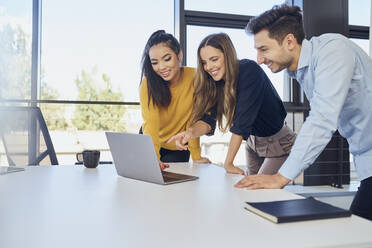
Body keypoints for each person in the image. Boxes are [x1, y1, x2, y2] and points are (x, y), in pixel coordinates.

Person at [240, 4, 372, 221]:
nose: (259, 59)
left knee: (359, 228)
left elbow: (322, 119)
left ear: (290, 42)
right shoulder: (302, 70)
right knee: (360, 226)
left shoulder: (333, 51)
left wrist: (281, 176)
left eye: (264, 49)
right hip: (365, 157)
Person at [168, 33, 296, 176]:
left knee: (262, 191)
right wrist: (190, 133)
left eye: (214, 59)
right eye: (204, 62)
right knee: (249, 192)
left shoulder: (249, 71)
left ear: (227, 55)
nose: (208, 67)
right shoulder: (216, 83)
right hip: (253, 144)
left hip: (278, 143)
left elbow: (242, 123)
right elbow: (208, 120)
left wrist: (228, 163)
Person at [139, 30, 210, 169]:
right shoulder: (148, 84)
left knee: (174, 186)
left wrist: (196, 156)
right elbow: (151, 124)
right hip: (150, 141)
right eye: (154, 62)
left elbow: (194, 118)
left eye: (167, 59)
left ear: (179, 55)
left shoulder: (196, 78)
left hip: (178, 145)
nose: (161, 67)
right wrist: (153, 157)